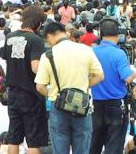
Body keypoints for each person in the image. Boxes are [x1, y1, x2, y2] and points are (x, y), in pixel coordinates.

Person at [35, 21, 104, 154]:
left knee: (60, 148)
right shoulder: (85, 50)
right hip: (82, 106)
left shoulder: (48, 56)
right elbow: (100, 76)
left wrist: (53, 95)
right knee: (82, 147)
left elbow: (40, 87)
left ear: (49, 36)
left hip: (58, 106)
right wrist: (85, 85)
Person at [0, 6, 48, 154]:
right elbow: (35, 67)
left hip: (12, 93)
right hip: (31, 94)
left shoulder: (10, 37)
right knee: (33, 140)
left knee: (14, 137)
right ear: (38, 23)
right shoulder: (36, 40)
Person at [90, 18, 136, 154]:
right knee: (114, 146)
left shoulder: (92, 52)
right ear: (118, 35)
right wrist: (133, 74)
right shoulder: (119, 54)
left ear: (100, 33)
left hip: (96, 104)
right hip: (116, 106)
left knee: (94, 143)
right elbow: (127, 78)